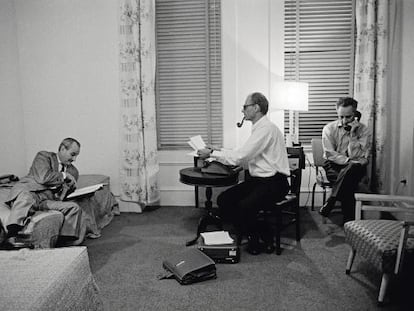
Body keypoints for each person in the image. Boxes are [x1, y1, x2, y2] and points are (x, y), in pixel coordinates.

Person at [198, 92, 290, 255]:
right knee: (224, 200)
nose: (243, 111)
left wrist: (212, 153)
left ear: (256, 108)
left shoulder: (266, 129)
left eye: (245, 107)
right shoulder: (260, 128)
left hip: (275, 183)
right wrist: (217, 150)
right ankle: (260, 230)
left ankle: (258, 237)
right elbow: (242, 152)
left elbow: (241, 156)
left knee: (245, 206)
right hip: (260, 181)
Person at [2, 137, 83, 249]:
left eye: (76, 156)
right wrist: (64, 176)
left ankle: (63, 242)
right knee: (25, 199)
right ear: (63, 148)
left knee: (74, 207)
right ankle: (11, 237)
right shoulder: (44, 156)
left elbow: (63, 195)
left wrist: (70, 188)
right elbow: (43, 178)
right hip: (30, 191)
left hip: (47, 200)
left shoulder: (73, 171)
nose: (74, 159)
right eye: (72, 154)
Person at [318, 97, 370, 222]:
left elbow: (357, 155)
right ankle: (351, 222)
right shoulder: (329, 129)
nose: (344, 121)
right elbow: (330, 154)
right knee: (350, 184)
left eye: (348, 117)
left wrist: (352, 135)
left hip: (355, 166)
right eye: (341, 117)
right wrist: (349, 161)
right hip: (333, 165)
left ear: (355, 114)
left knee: (352, 170)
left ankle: (331, 201)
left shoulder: (363, 130)